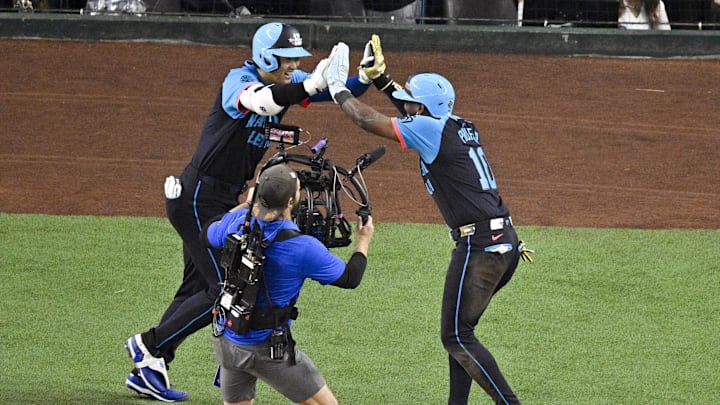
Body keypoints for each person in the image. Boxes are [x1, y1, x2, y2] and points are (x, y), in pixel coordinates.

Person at [123, 22, 381, 402]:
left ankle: (151, 366)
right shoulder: (238, 81)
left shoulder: (287, 82)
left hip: (226, 199)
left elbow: (327, 88)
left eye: (297, 60)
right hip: (199, 198)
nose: (294, 66)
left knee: (198, 285)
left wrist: (363, 77)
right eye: (287, 59)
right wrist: (309, 85)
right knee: (225, 289)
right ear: (265, 56)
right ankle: (150, 346)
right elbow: (263, 100)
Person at [323, 40, 532, 404]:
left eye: (411, 101)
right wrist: (382, 80)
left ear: (425, 108)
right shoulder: (457, 124)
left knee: (456, 336)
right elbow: (413, 116)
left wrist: (337, 86)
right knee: (460, 333)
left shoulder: (430, 130)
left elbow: (364, 119)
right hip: (504, 242)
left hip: (480, 247)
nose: (407, 105)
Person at [202, 163, 375, 405]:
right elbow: (350, 278)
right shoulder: (302, 247)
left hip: (228, 340)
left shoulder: (237, 222)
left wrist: (247, 206)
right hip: (266, 351)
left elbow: (207, 232)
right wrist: (363, 240)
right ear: (291, 202)